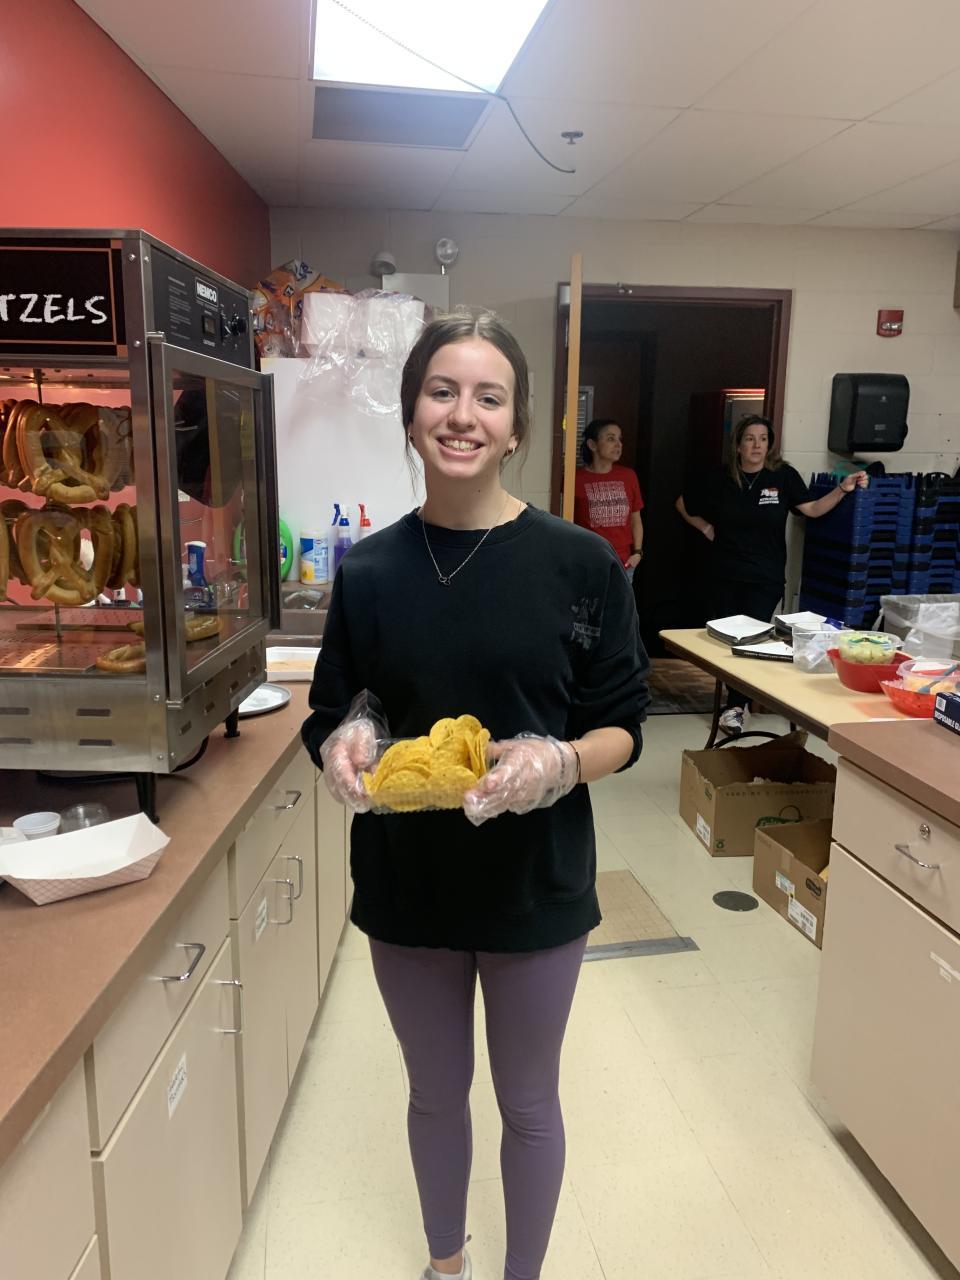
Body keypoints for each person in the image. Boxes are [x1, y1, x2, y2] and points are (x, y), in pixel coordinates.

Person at [301, 311, 649, 1280]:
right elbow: (333, 708)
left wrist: (560, 764)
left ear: (517, 424)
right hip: (408, 883)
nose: (463, 415)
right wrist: (345, 741)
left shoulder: (579, 563)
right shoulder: (370, 570)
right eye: (442, 392)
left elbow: (624, 721)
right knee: (434, 1091)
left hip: (535, 882)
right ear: (411, 414)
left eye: (488, 397)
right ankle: (445, 1263)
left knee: (528, 1101)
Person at [676, 413, 867, 734]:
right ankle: (731, 700)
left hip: (764, 577)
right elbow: (683, 503)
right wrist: (706, 528)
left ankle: (735, 707)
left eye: (763, 439)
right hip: (724, 573)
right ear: (738, 445)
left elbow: (812, 509)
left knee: (750, 640)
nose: (757, 445)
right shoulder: (720, 477)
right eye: (750, 439)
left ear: (770, 445)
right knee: (724, 642)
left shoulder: (783, 476)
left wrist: (842, 489)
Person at [573, 418, 645, 580]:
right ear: (592, 445)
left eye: (620, 439)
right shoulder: (575, 479)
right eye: (611, 439)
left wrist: (637, 553)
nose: (618, 444)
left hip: (623, 564)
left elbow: (636, 519)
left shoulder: (628, 476)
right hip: (587, 563)